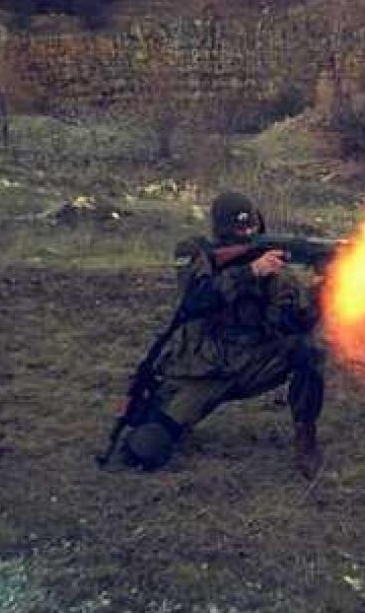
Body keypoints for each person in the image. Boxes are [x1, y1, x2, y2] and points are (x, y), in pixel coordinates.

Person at [117, 191, 326, 477]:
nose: (248, 234)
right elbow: (197, 298)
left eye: (252, 227)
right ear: (221, 229)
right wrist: (250, 271)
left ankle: (306, 436)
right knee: (146, 447)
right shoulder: (194, 253)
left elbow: (294, 324)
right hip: (202, 370)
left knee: (307, 350)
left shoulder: (276, 274)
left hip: (252, 364)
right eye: (240, 229)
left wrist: (323, 291)